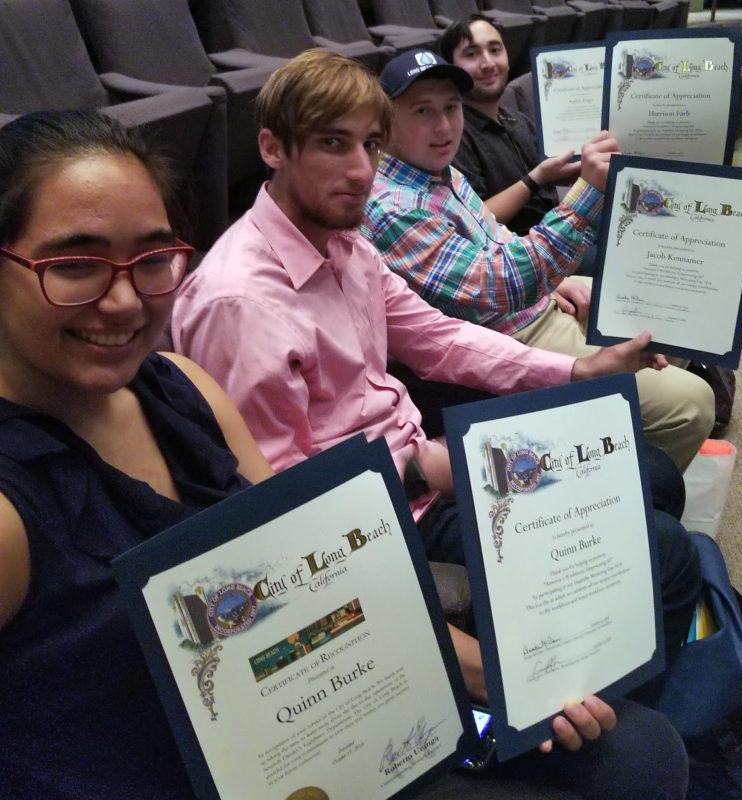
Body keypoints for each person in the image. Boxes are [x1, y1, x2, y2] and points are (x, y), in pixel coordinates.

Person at [172, 50, 698, 799]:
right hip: (371, 534)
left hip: (422, 479)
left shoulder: (343, 239)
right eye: (331, 144)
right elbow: (284, 518)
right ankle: (582, 729)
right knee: (655, 631)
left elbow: (439, 337)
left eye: (369, 145)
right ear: (271, 148)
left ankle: (600, 706)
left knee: (656, 503)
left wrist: (578, 371)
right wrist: (422, 469)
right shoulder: (241, 303)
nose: (360, 170)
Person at [0, 110, 276, 797]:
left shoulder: (185, 388)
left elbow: (303, 579)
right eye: (74, 266)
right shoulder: (7, 514)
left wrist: (504, 676)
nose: (124, 302)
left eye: (153, 260)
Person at [361, 49, 715, 472]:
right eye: (422, 111)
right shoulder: (393, 206)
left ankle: (625, 458)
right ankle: (620, 504)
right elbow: (496, 287)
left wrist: (557, 281)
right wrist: (588, 192)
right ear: (385, 123)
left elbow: (494, 236)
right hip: (513, 337)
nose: (443, 126)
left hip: (536, 307)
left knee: (665, 327)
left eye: (451, 108)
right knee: (692, 405)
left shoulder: (438, 171)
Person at [440, 14, 575, 240]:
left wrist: (580, 165)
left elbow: (550, 177)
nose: (488, 63)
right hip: (515, 253)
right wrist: (537, 179)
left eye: (495, 50)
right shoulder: (452, 135)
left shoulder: (517, 119)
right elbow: (473, 219)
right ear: (452, 68)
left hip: (557, 232)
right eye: (472, 54)